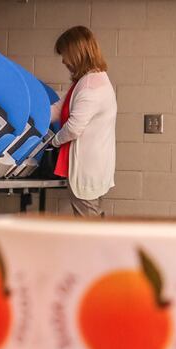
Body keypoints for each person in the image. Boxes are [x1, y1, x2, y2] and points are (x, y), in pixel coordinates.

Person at [49, 26, 117, 217]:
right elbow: (58, 109)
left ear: (76, 53)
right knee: (92, 222)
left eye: (65, 55)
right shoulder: (90, 81)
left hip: (87, 169)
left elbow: (73, 128)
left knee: (88, 226)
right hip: (95, 167)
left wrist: (52, 142)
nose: (63, 61)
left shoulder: (89, 86)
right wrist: (31, 117)